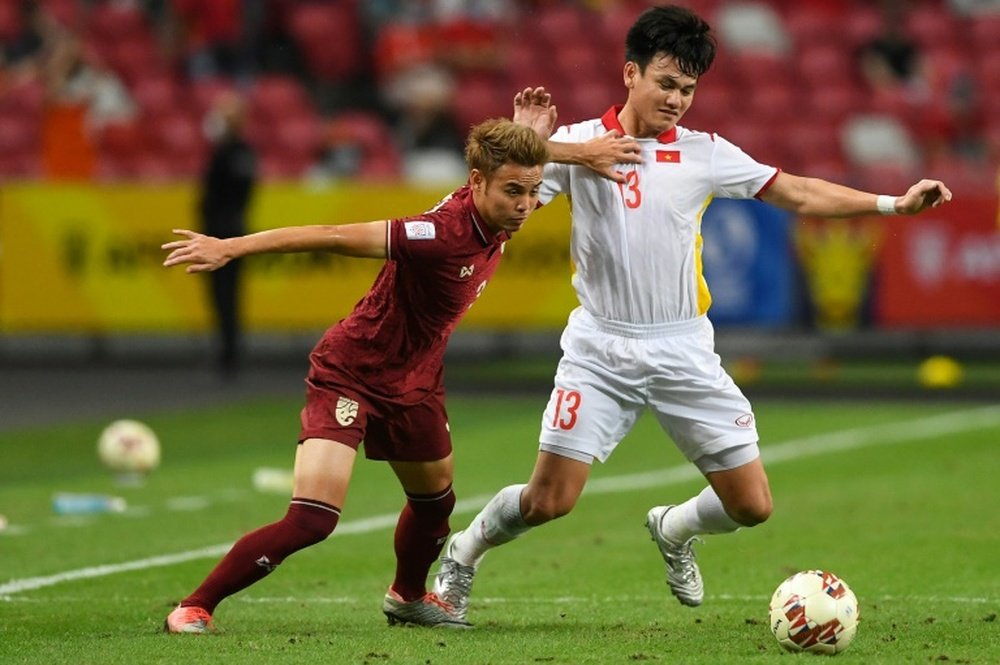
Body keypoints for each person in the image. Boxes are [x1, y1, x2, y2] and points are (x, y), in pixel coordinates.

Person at [433, 5, 952, 623]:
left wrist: (894, 203)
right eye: (666, 83)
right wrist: (536, 144)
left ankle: (674, 528)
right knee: (549, 501)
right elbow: (488, 204)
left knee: (753, 505)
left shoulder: (706, 153)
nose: (677, 99)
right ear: (630, 73)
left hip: (683, 347)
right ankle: (462, 556)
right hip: (601, 348)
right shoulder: (577, 146)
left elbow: (799, 191)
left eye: (688, 88)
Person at [162, 114, 573, 633]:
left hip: (416, 381)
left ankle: (406, 597)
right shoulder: (440, 235)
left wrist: (526, 134)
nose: (525, 205)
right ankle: (194, 606)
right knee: (313, 518)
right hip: (352, 372)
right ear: (476, 183)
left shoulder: (497, 206)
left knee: (435, 505)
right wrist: (230, 246)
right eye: (514, 191)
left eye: (533, 193)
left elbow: (516, 168)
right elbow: (331, 235)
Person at [198, 91, 256, 378]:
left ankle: (230, 354)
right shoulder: (231, 152)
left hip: (226, 231)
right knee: (221, 297)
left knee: (226, 296)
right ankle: (226, 350)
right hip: (223, 229)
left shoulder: (236, 153)